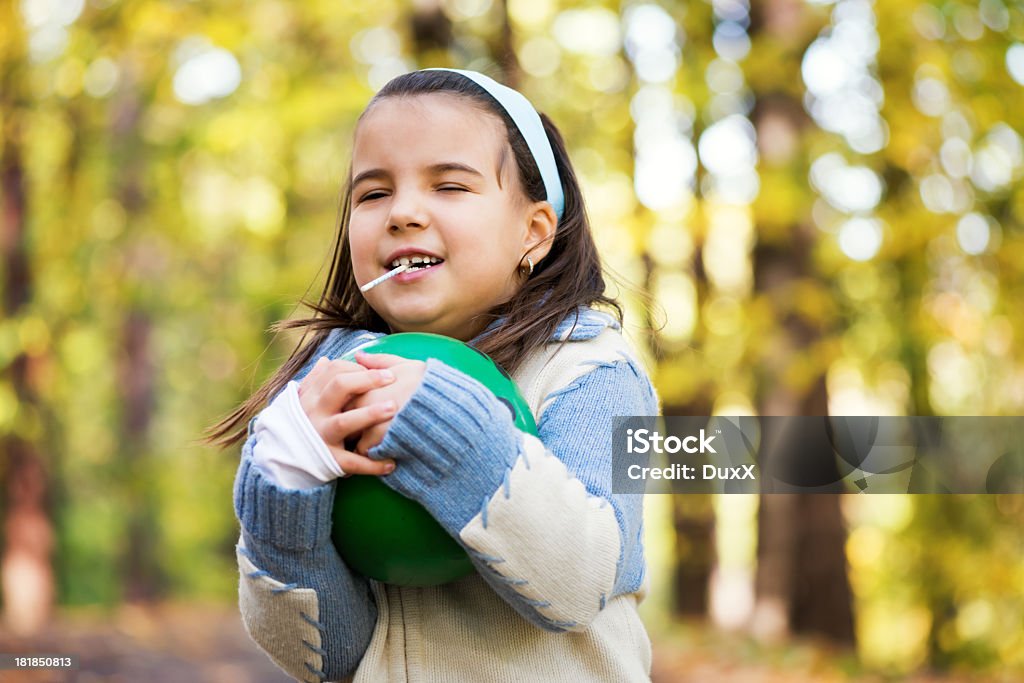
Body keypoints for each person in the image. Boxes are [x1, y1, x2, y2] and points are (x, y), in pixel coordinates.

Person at [206, 68, 660, 682]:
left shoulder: (593, 371)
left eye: (448, 185)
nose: (403, 213)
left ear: (534, 232)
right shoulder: (332, 388)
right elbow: (324, 656)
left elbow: (581, 582)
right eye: (372, 194)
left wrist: (439, 420)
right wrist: (284, 484)